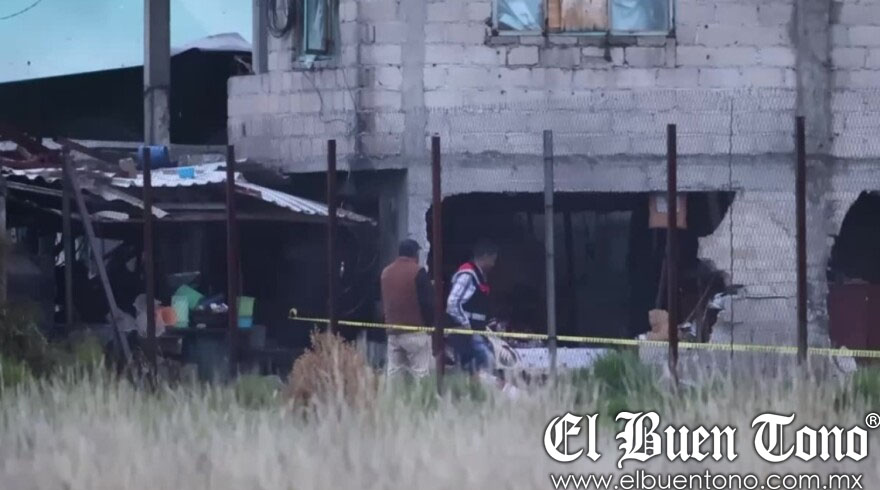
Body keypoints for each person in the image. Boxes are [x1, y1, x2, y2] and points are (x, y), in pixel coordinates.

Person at [380, 239, 434, 379]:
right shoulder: (418, 271)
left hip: (393, 332)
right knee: (420, 374)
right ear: (415, 254)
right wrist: (430, 325)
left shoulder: (386, 272)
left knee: (395, 375)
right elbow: (426, 303)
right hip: (415, 332)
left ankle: (392, 394)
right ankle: (422, 394)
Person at [446, 239, 499, 377]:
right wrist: (466, 325)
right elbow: (452, 302)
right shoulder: (468, 275)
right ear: (485, 256)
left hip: (475, 331)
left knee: (476, 368)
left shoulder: (479, 276)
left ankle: (472, 388)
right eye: (492, 260)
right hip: (467, 333)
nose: (493, 265)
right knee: (487, 361)